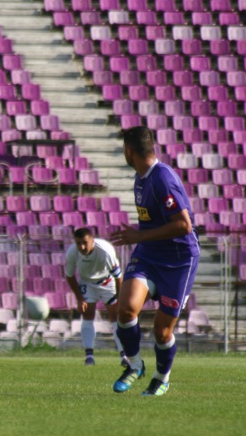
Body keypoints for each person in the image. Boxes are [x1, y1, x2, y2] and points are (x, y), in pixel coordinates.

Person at [110, 126, 200, 396]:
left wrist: (138, 235)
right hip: (149, 254)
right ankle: (135, 365)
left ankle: (161, 378)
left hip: (179, 261)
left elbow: (184, 225)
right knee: (126, 310)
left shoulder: (162, 178)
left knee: (162, 332)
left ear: (129, 151)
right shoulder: (141, 177)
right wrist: (141, 238)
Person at [64, 227, 128, 367]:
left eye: (85, 243)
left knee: (116, 316)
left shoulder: (105, 251)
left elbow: (118, 277)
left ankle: (124, 356)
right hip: (87, 281)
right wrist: (79, 299)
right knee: (87, 314)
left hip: (107, 281)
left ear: (92, 241)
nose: (82, 247)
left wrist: (120, 300)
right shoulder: (72, 253)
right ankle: (89, 357)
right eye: (78, 243)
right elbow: (69, 276)